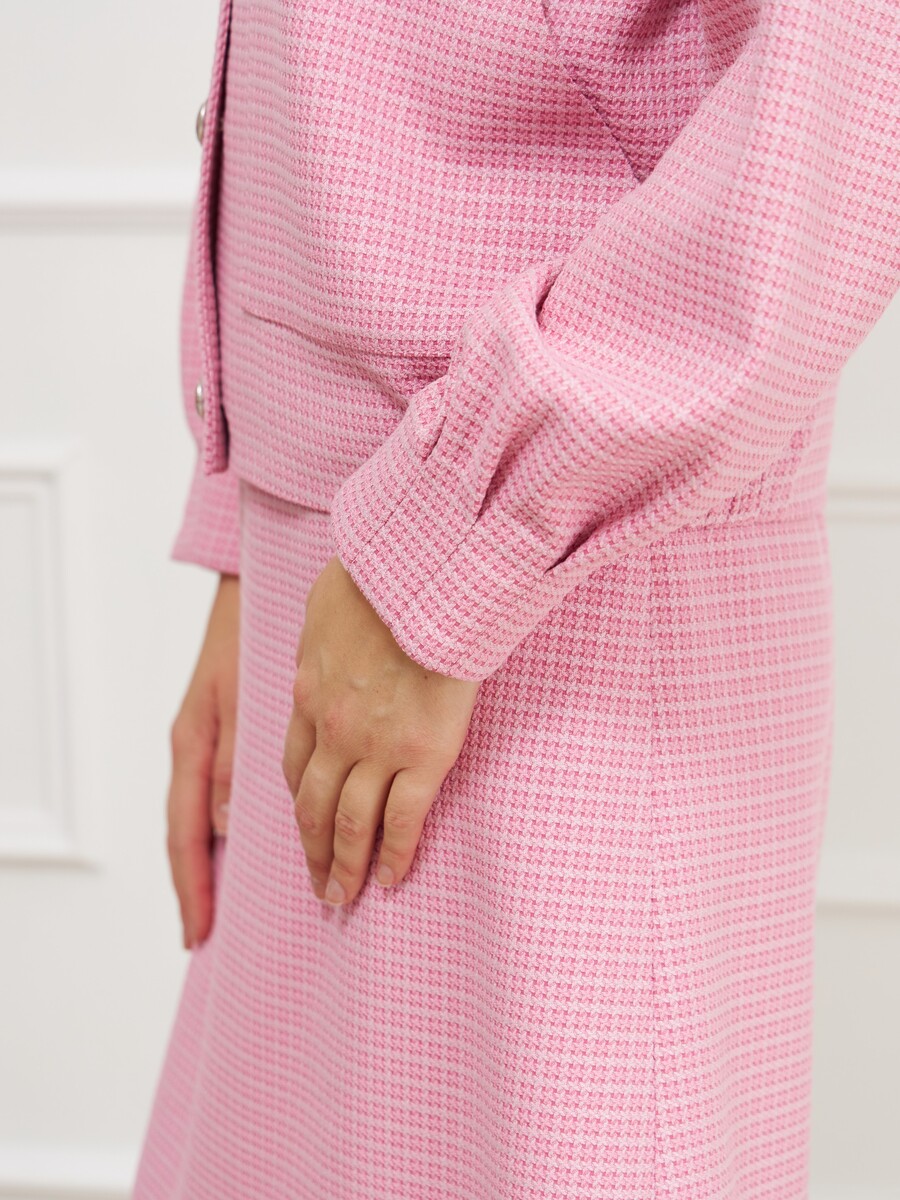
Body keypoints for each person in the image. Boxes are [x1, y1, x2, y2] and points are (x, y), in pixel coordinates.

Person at [132, 0, 899, 1195]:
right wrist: (249, 525)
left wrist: (438, 548)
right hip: (350, 593)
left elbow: (834, 111)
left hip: (560, 601)